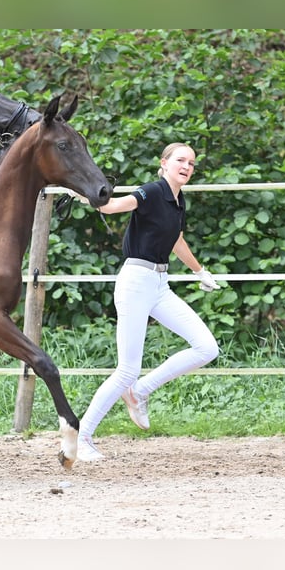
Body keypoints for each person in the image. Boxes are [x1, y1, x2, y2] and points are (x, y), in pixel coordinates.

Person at [77, 142, 220, 462]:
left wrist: (200, 271)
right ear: (164, 164)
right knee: (127, 369)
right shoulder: (153, 191)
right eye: (181, 160)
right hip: (136, 282)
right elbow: (114, 206)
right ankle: (81, 436)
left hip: (159, 284)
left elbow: (177, 240)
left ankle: (140, 392)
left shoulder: (177, 200)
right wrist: (87, 194)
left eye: (192, 163)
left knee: (207, 347)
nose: (187, 166)